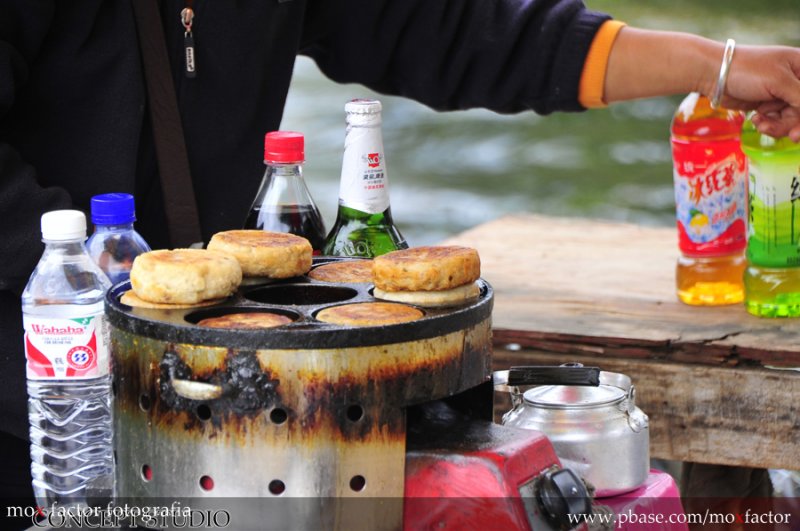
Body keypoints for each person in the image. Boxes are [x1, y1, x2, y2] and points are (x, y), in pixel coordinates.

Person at [1, 0, 799, 505]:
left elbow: (465, 32)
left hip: (232, 404)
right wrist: (105, 280)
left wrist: (715, 67)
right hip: (43, 417)